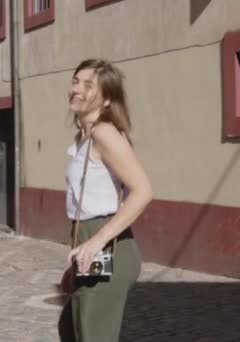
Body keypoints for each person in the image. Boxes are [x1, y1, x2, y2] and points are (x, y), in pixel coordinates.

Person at [64, 59, 153, 341]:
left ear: (106, 101)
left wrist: (95, 242)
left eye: (88, 85)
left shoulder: (104, 133)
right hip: (91, 245)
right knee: (72, 329)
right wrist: (75, 264)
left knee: (92, 333)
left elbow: (143, 191)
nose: (77, 89)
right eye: (76, 81)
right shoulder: (84, 137)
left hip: (110, 247)